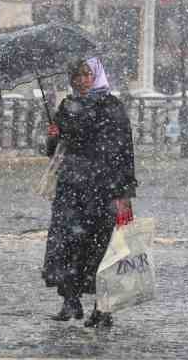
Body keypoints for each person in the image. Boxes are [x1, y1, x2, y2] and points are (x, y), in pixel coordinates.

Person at [43, 57, 137, 328]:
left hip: (104, 188)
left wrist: (124, 191)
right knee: (67, 244)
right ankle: (70, 300)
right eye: (76, 75)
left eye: (86, 75)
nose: (81, 80)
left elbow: (123, 151)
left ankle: (103, 307)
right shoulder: (67, 105)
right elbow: (55, 151)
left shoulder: (111, 106)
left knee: (102, 249)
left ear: (96, 76)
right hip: (72, 187)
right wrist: (53, 136)